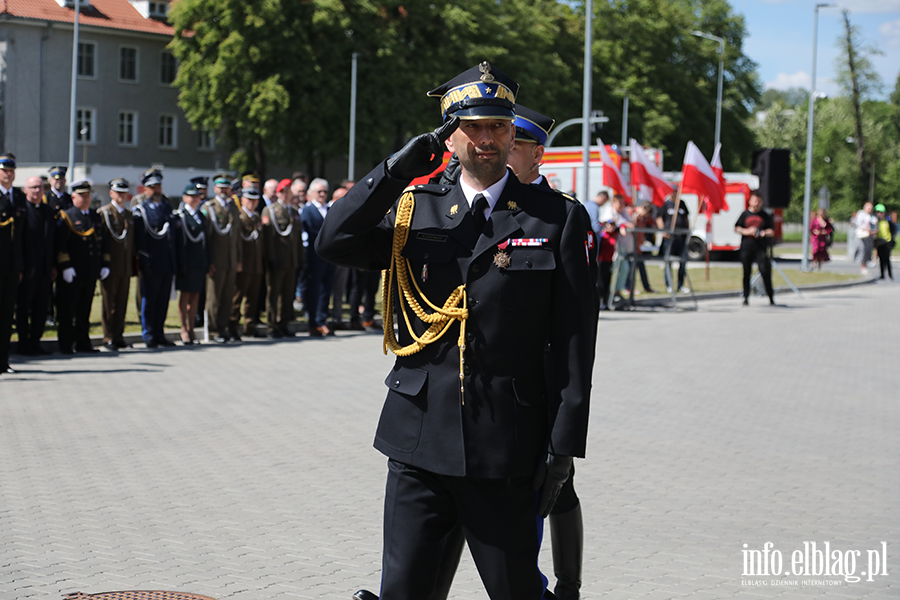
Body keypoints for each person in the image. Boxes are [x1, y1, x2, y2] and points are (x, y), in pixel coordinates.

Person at [316, 62, 596, 600]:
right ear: (450, 134)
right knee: (403, 592)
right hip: (419, 442)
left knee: (517, 592)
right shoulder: (412, 207)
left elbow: (575, 342)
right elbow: (334, 241)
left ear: (513, 132)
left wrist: (564, 446)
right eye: (473, 127)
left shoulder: (556, 219)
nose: (486, 139)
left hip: (506, 449)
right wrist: (394, 169)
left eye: (498, 126)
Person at [55, 180, 110, 354]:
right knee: (67, 309)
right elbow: (61, 244)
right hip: (73, 271)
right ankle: (65, 344)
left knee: (84, 310)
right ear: (73, 197)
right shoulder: (67, 216)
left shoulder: (95, 216)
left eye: (88, 195)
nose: (86, 199)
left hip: (91, 270)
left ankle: (82, 343)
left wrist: (105, 263)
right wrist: (65, 266)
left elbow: (103, 243)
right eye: (82, 195)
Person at [133, 169, 177, 348]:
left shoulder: (167, 207)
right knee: (149, 300)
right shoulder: (141, 210)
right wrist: (143, 261)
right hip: (151, 261)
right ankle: (149, 334)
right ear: (145, 189)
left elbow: (171, 236)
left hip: (166, 261)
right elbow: (140, 238)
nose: (156, 190)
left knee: (163, 301)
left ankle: (159, 333)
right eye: (152, 187)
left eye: (158, 186)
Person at [15, 176, 54, 356]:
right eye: (33, 187)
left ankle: (36, 341)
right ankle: (24, 344)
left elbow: (52, 240)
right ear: (25, 189)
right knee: (24, 308)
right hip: (28, 268)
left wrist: (53, 266)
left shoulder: (48, 211)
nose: (37, 191)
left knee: (41, 308)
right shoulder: (21, 210)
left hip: (45, 269)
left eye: (39, 187)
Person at [203, 172, 243, 342]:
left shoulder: (233, 207)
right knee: (214, 297)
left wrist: (239, 258)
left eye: (227, 187)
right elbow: (206, 238)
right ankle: (213, 331)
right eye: (221, 187)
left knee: (227, 296)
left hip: (231, 259)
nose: (225, 190)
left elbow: (237, 237)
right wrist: (209, 261)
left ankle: (223, 327)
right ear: (215, 188)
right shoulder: (209, 207)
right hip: (217, 260)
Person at [97, 178, 135, 351]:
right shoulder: (104, 213)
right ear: (111, 193)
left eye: (123, 192)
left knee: (121, 302)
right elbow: (101, 241)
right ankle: (108, 336)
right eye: (118, 192)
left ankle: (119, 336)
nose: (121, 196)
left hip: (125, 266)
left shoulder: (129, 214)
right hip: (110, 265)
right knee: (108, 302)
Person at [263, 179, 303, 338]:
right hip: (278, 260)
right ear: (279, 193)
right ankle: (272, 326)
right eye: (284, 191)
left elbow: (297, 239)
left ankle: (284, 324)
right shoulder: (271, 210)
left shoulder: (294, 212)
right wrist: (271, 258)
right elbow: (269, 238)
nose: (287, 194)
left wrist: (300, 258)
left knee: (288, 294)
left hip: (291, 261)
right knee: (274, 294)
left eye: (288, 191)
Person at [0, 153, 29, 373]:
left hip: (12, 267)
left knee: (7, 314)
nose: (8, 174)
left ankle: (3, 360)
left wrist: (20, 265)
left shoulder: (19, 198)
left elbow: (23, 237)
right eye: (4, 170)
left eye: (11, 171)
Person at [300, 177, 336, 337]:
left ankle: (322, 320)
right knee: (314, 290)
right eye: (319, 191)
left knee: (326, 291)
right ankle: (313, 321)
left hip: (329, 257)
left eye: (324, 191)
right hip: (314, 258)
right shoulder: (307, 211)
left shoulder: (329, 209)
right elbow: (309, 233)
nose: (322, 194)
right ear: (311, 193)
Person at [174, 184, 209, 345]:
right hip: (186, 261)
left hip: (198, 262)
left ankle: (191, 327)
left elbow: (205, 241)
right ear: (185, 198)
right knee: (185, 296)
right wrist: (181, 263)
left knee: (195, 296)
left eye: (197, 196)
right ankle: (183, 329)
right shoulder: (181, 216)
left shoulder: (200, 216)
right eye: (191, 196)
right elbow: (179, 242)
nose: (195, 199)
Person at [231, 187, 265, 339]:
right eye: (249, 199)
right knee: (237, 298)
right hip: (243, 263)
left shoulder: (257, 217)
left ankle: (249, 326)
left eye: (255, 200)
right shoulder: (239, 216)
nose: (252, 203)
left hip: (256, 264)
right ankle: (233, 326)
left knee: (253, 298)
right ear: (242, 199)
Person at [734, 190, 775, 306]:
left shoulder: (765, 215)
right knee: (746, 272)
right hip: (747, 247)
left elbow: (772, 231)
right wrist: (747, 231)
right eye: (754, 200)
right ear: (750, 201)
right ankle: (746, 297)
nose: (756, 203)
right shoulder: (745, 214)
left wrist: (762, 233)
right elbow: (737, 228)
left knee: (765, 271)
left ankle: (771, 297)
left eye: (759, 201)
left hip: (760, 248)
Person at [655, 193, 690, 293]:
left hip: (681, 238)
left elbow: (686, 218)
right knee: (668, 262)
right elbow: (659, 218)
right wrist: (663, 231)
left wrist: (687, 230)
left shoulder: (682, 204)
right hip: (670, 238)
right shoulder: (665, 205)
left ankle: (680, 285)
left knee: (682, 262)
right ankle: (669, 284)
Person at [328, 187, 351, 330]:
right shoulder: (328, 211)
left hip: (342, 257)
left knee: (339, 290)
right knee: (325, 291)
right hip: (328, 258)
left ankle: (337, 317)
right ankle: (322, 319)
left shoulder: (347, 212)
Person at [632, 201, 657, 293]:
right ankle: (629, 287)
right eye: (645, 214)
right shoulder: (633, 214)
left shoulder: (644, 219)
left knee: (641, 267)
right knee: (631, 269)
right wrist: (635, 217)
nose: (645, 216)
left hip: (639, 247)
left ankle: (646, 287)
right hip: (631, 246)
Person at [852, 202, 877, 275]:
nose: (870, 210)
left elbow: (875, 225)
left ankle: (865, 266)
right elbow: (859, 224)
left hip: (870, 236)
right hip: (863, 236)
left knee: (868, 252)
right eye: (868, 208)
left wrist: (874, 231)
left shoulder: (873, 216)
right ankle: (862, 267)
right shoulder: (861, 214)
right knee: (863, 251)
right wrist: (867, 229)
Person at [874, 203, 894, 281]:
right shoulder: (876, 221)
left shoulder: (887, 221)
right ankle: (882, 274)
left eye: (881, 212)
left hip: (887, 241)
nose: (879, 214)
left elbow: (892, 231)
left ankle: (890, 274)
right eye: (878, 212)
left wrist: (891, 241)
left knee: (887, 259)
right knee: (881, 259)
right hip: (879, 242)